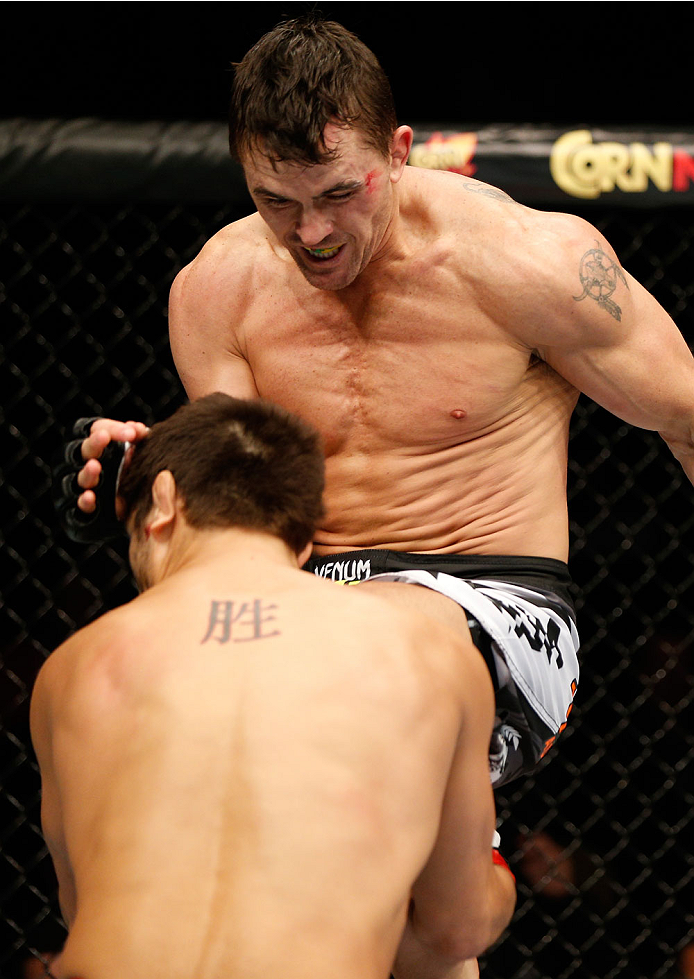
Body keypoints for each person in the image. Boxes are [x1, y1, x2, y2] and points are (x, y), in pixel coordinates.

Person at [57, 13, 694, 821]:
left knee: (351, 668)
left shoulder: (526, 262)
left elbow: (687, 415)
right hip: (306, 614)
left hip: (492, 606)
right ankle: (457, 901)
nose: (312, 233)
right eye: (275, 202)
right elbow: (235, 521)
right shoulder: (216, 292)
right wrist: (142, 483)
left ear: (397, 152)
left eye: (337, 193)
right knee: (104, 680)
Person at [34, 394, 515, 979]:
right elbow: (455, 926)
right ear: (305, 542)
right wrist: (486, 869)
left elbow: (81, 907)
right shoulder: (427, 650)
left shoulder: (75, 666)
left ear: (160, 504)